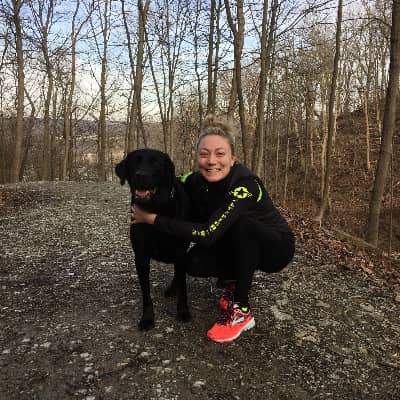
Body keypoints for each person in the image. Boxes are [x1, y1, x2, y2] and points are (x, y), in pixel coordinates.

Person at [131, 115, 295, 343]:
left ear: (233, 158)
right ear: (197, 157)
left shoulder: (246, 185)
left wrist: (152, 219)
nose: (211, 161)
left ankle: (241, 311)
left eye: (220, 154)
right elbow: (170, 181)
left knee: (241, 224)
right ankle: (234, 281)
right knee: (194, 263)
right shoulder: (195, 180)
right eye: (204, 154)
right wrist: (145, 193)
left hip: (275, 248)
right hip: (235, 241)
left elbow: (208, 234)